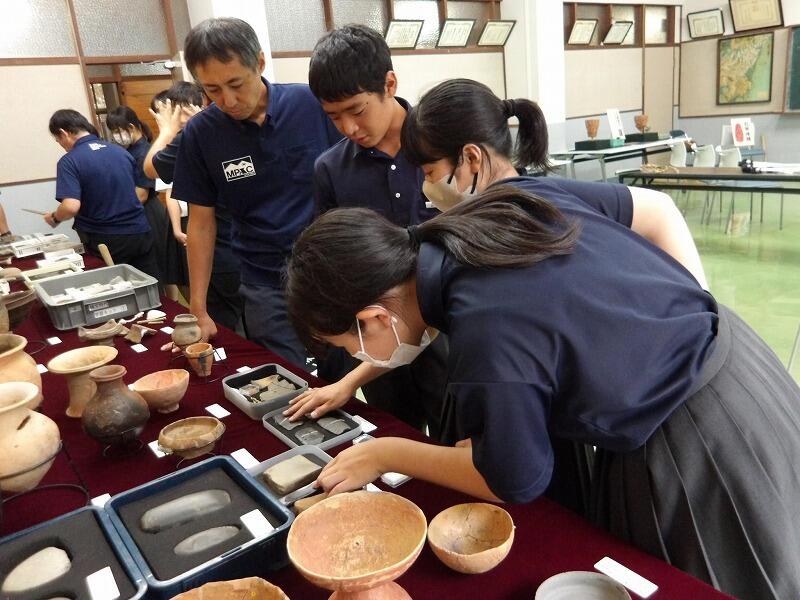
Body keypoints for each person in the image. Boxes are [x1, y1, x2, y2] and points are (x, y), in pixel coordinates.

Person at [283, 79, 800, 600]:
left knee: (724, 577)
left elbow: (512, 479)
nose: (359, 357)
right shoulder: (503, 208)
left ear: (373, 318)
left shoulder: (484, 318)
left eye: (348, 346)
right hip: (741, 362)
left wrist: (385, 453)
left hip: (697, 434)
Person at [286, 24, 445, 438]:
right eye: (333, 116)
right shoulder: (330, 169)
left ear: (389, 84)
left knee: (456, 441)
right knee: (395, 433)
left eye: (356, 110)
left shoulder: (443, 147)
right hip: (379, 342)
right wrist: (348, 380)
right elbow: (334, 271)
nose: (348, 127)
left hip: (450, 335)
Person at [171, 17, 340, 367]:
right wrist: (198, 309)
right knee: (285, 377)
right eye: (212, 90)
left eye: (236, 84)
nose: (228, 100)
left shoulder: (311, 105)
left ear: (260, 63)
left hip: (330, 273)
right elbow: (200, 223)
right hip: (263, 280)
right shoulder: (201, 134)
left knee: (341, 372)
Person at [146, 82, 245, 332]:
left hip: (223, 248)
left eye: (169, 112)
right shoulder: (225, 126)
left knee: (226, 324)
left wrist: (167, 131)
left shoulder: (197, 133)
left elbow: (150, 168)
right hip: (240, 246)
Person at [44, 109, 159, 278]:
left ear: (63, 133)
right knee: (149, 283)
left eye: (58, 140)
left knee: (117, 288)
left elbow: (70, 206)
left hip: (106, 238)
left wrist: (55, 217)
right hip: (140, 231)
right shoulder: (121, 152)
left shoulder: (69, 161)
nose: (61, 144)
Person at [106, 106, 169, 284]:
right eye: (113, 132)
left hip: (148, 212)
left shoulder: (144, 152)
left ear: (132, 127)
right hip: (140, 211)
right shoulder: (128, 151)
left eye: (118, 131)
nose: (116, 136)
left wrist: (116, 210)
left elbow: (141, 195)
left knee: (156, 269)